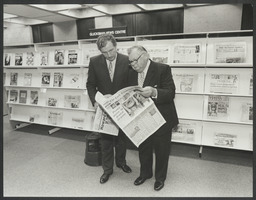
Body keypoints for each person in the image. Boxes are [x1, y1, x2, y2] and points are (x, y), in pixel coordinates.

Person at [127, 45, 179, 191]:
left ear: (145, 55)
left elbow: (170, 93)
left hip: (162, 117)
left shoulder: (163, 69)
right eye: (130, 62)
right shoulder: (131, 72)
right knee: (144, 147)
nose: (133, 65)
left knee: (162, 150)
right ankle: (145, 173)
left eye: (135, 61)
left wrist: (154, 91)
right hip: (141, 117)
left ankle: (160, 178)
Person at [86, 34, 132, 184]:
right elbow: (90, 85)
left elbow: (132, 83)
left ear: (116, 46)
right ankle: (107, 170)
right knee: (106, 141)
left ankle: (121, 162)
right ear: (100, 51)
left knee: (122, 139)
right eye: (104, 52)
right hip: (104, 108)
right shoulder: (94, 61)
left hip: (122, 107)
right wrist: (94, 101)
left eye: (111, 50)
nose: (109, 55)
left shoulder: (127, 60)